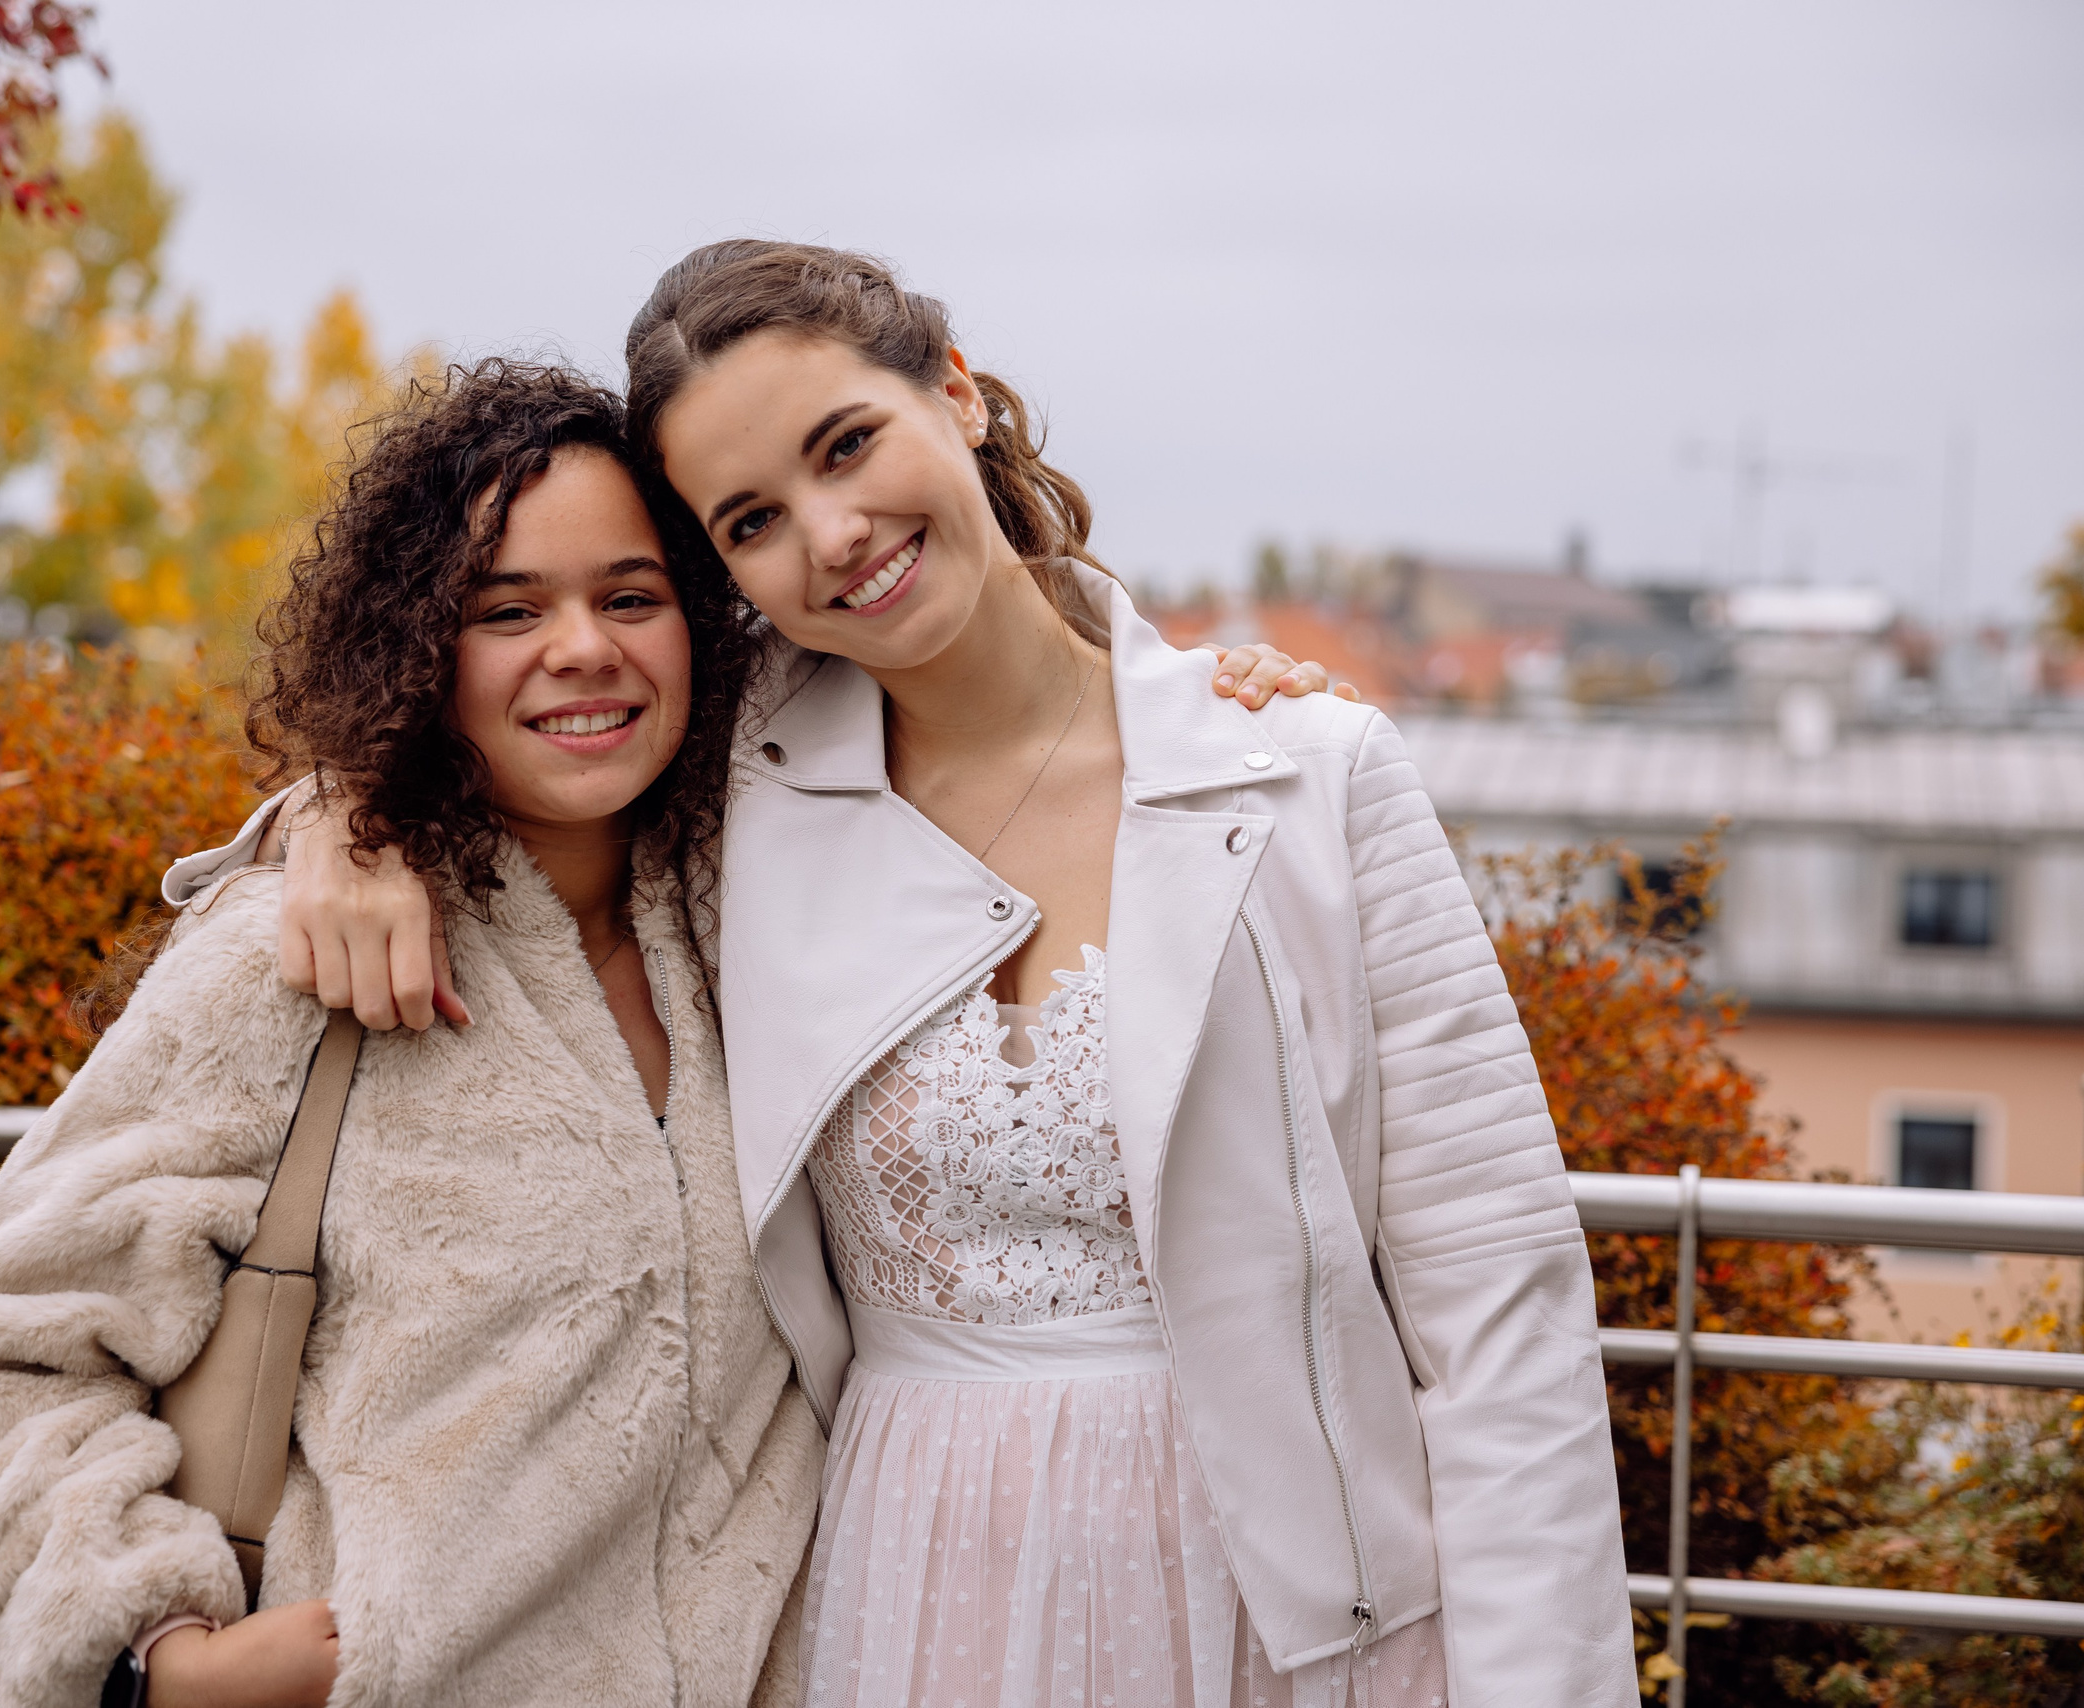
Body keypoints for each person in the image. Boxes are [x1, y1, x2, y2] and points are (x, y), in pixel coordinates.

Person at [220, 243, 1637, 1708]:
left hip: (1286, 1607)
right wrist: (342, 817)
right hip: (902, 1593)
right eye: (754, 519)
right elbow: (510, 771)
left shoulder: (1305, 779)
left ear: (954, 394)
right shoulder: (734, 803)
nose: (832, 536)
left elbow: (1502, 1317)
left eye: (848, 446)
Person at [0, 363, 826, 1708]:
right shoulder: (291, 964)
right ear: (420, 653)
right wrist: (155, 1654)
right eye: (508, 610)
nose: (584, 647)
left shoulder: (772, 934)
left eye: (632, 596)